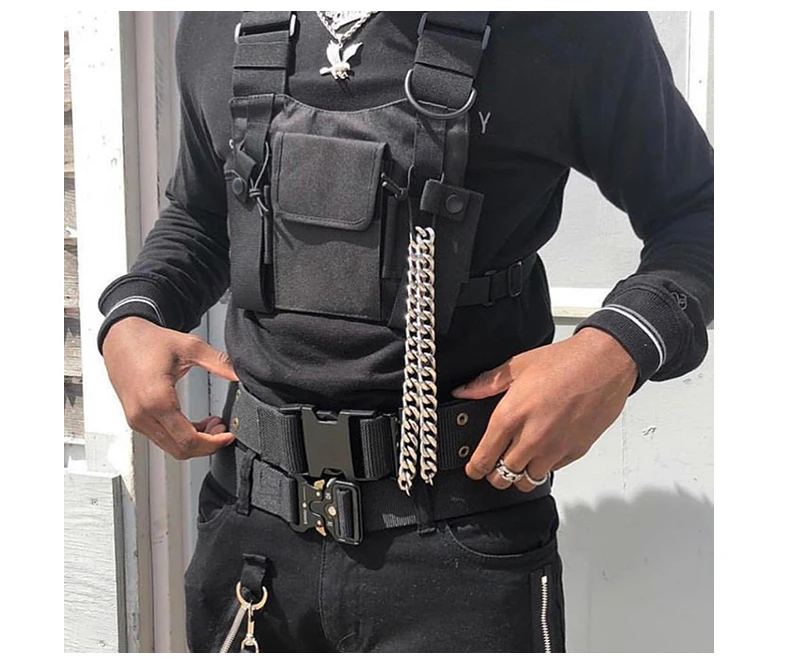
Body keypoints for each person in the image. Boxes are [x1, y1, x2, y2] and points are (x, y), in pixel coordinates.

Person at [98, 11, 713, 653]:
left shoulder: (572, 26)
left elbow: (701, 213)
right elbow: (202, 216)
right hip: (251, 541)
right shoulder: (215, 22)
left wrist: (615, 349)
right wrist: (133, 314)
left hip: (463, 550)